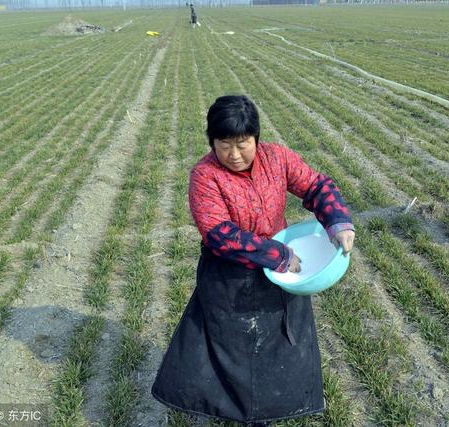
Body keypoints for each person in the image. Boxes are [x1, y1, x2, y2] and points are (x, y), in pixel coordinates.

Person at [152, 95, 355, 426]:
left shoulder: (276, 158)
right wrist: (276, 255)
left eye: (243, 143)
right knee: (230, 351)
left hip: (280, 274)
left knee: (280, 345)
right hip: (229, 276)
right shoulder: (204, 176)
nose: (234, 155)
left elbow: (317, 185)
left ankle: (270, 410)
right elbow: (219, 233)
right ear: (212, 142)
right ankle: (228, 410)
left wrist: (337, 220)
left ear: (256, 139)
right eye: (224, 144)